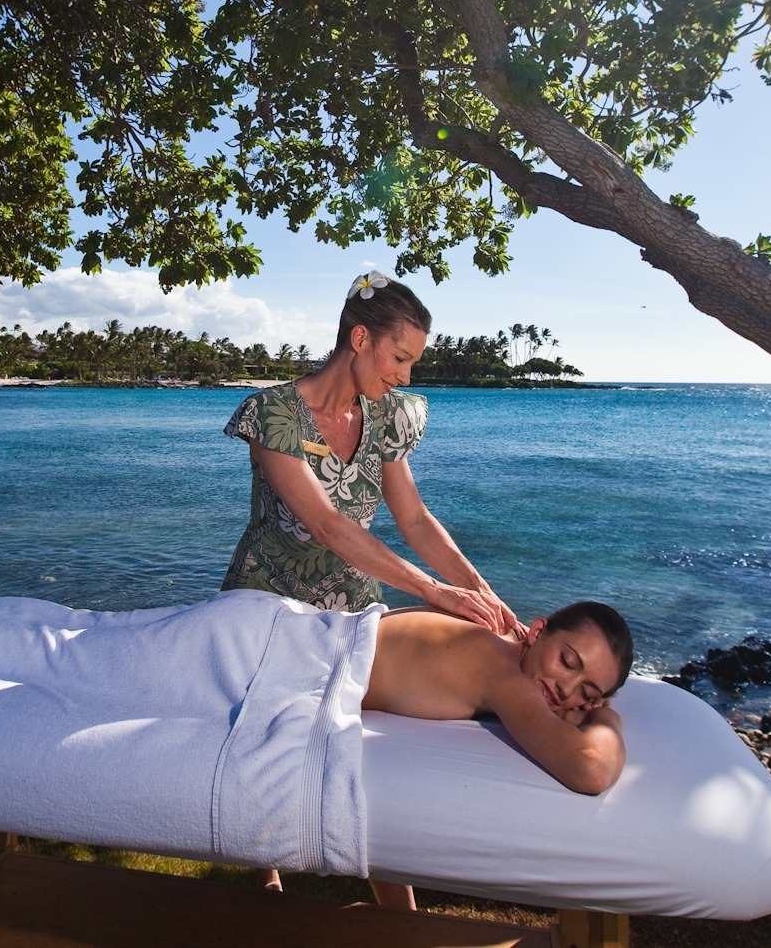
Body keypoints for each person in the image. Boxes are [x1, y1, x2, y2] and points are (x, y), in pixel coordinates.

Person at [221, 271, 521, 636]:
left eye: (412, 363)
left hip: (353, 613)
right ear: (361, 338)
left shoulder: (387, 416)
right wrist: (435, 590)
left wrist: (482, 593)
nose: (406, 377)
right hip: (265, 610)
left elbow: (415, 520)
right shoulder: (274, 413)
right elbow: (327, 525)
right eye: (400, 358)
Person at [365, 599, 633, 797]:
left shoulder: (502, 634)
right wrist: (607, 718)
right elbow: (592, 769)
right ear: (537, 632)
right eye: (567, 662)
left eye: (586, 693)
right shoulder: (499, 671)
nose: (566, 688)